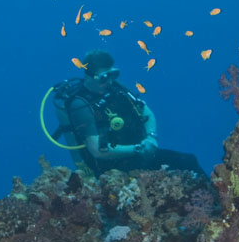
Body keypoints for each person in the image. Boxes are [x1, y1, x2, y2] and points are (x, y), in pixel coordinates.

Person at [48, 50, 204, 175]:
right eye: (103, 78)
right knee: (185, 165)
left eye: (113, 75)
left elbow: (146, 112)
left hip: (140, 155)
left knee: (189, 161)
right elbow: (96, 150)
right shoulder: (80, 105)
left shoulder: (116, 88)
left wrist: (151, 138)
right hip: (112, 169)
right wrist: (137, 149)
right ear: (89, 78)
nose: (109, 82)